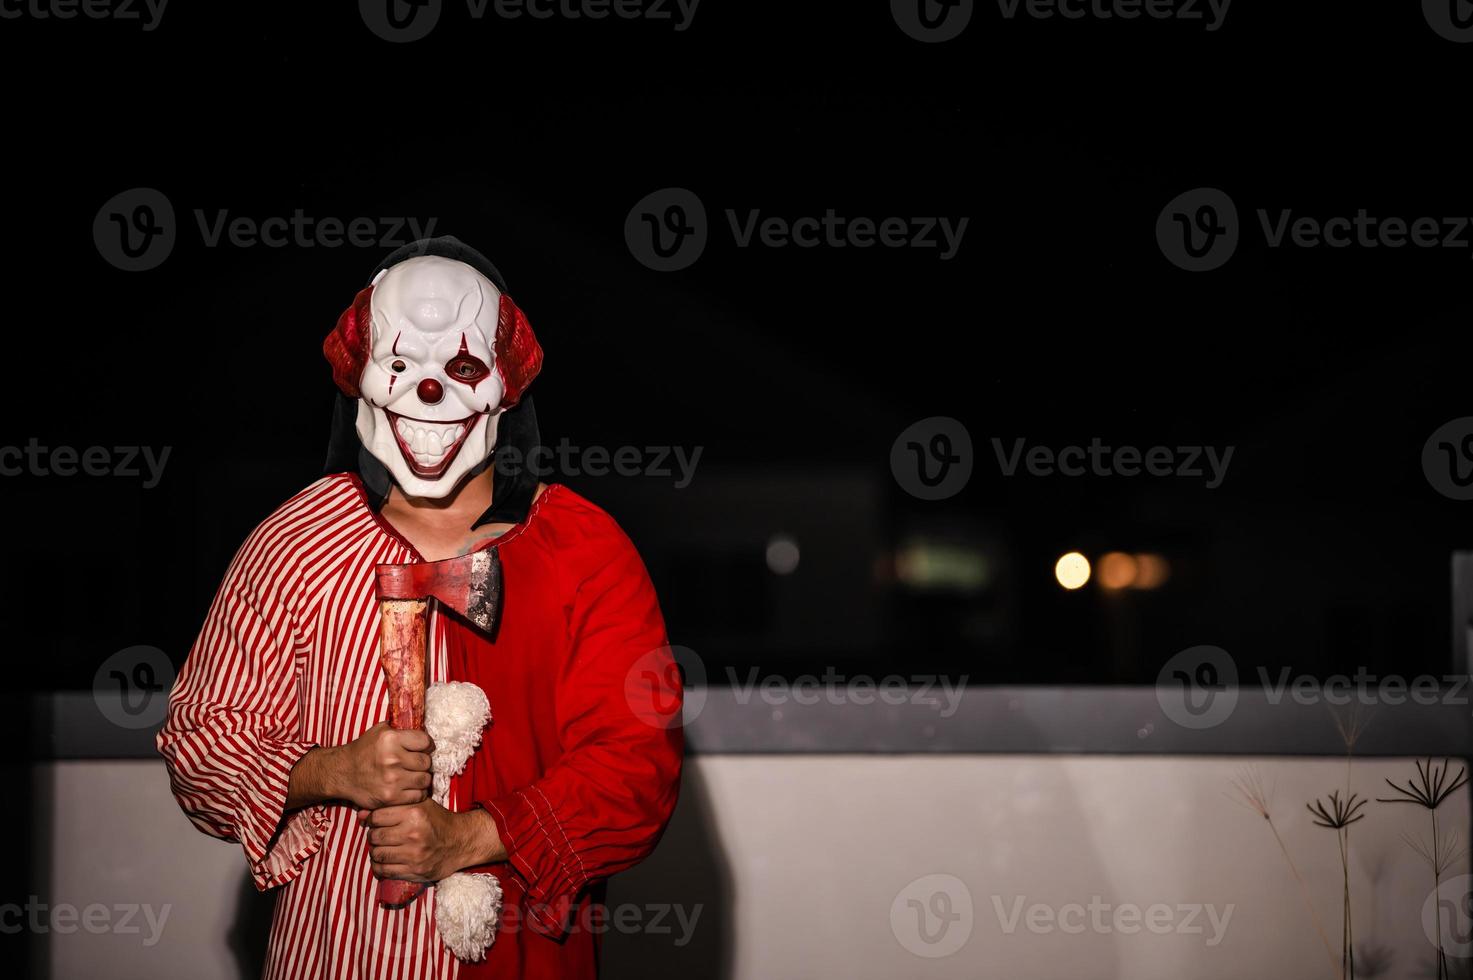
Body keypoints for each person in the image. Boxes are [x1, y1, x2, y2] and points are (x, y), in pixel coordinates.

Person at [157, 237, 684, 979]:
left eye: (461, 367)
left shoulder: (584, 552)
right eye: (399, 366)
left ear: (506, 384)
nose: (429, 393)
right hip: (334, 956)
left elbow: (636, 769)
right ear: (358, 379)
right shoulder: (296, 542)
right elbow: (199, 747)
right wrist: (328, 770)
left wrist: (469, 837)